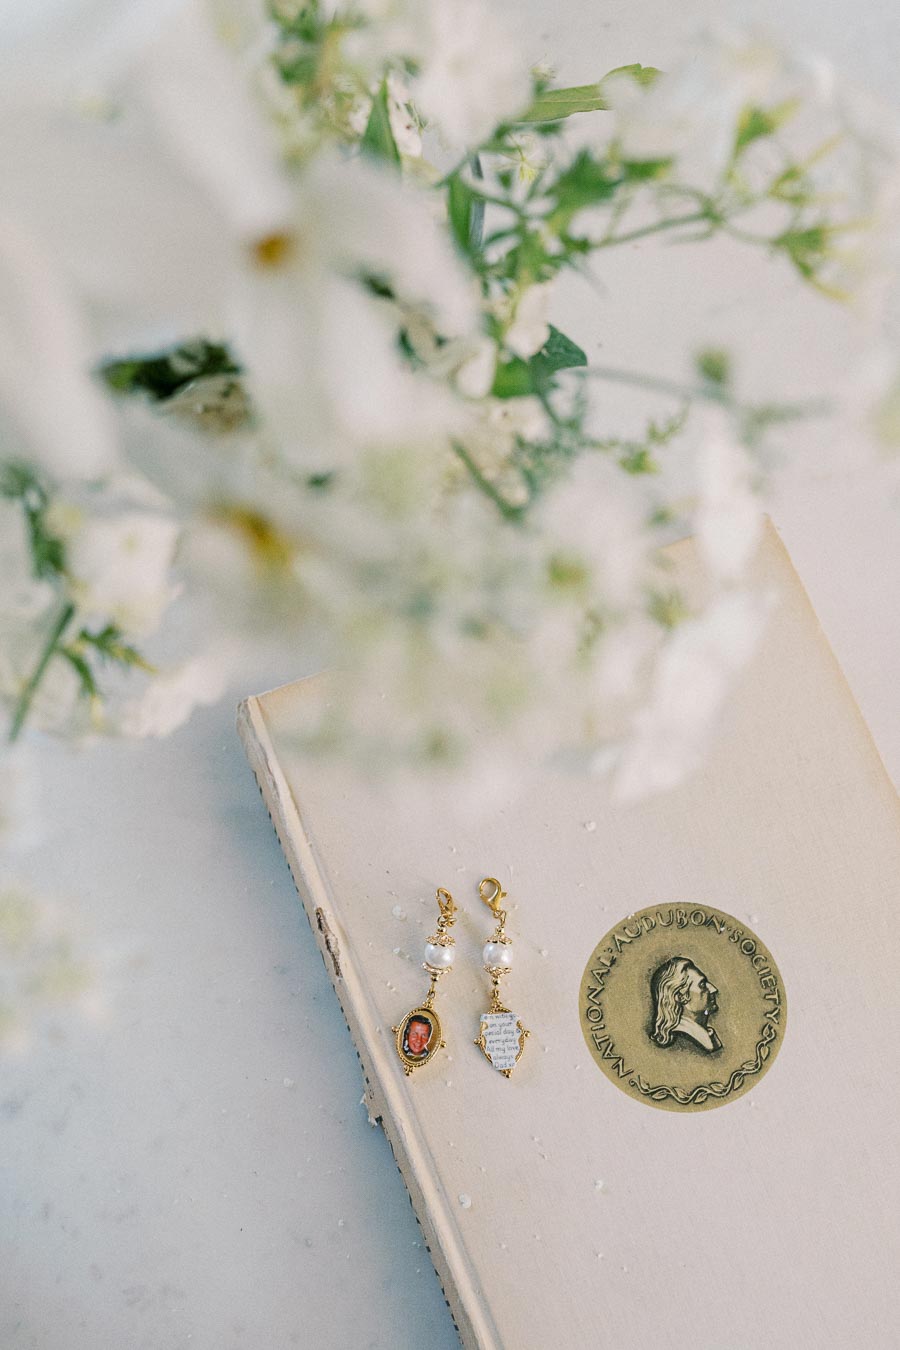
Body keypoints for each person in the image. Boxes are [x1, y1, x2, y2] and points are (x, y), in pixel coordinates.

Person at [650, 957, 722, 1053]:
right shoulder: (682, 1044)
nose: (713, 989)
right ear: (680, 997)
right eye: (702, 985)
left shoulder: (706, 1036)